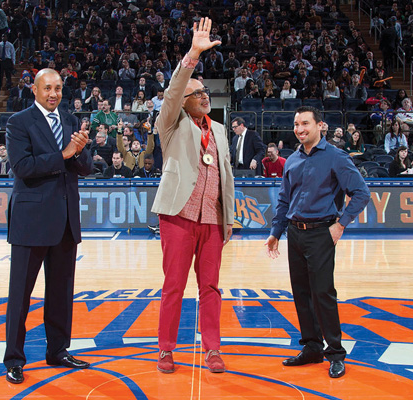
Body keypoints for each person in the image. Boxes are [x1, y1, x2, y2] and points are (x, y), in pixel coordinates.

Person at [151, 18, 235, 375]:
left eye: (207, 94)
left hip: (213, 220)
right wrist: (192, 55)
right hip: (178, 217)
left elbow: (227, 174)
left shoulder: (218, 128)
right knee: (173, 286)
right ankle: (166, 350)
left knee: (212, 287)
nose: (205, 97)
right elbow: (173, 93)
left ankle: (212, 349)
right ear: (184, 101)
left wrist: (228, 217)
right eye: (198, 93)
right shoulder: (170, 124)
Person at [265, 106, 370, 379]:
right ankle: (312, 347)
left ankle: (335, 353)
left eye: (306, 124)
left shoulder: (336, 157)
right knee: (301, 293)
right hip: (294, 233)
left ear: (320, 126)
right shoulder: (292, 160)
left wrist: (341, 224)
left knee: (322, 294)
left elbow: (361, 193)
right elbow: (284, 200)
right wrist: (276, 232)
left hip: (321, 233)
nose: (300, 129)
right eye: (297, 124)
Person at [3, 68, 94, 384]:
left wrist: (81, 150)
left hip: (66, 220)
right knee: (20, 296)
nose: (54, 94)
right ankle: (14, 358)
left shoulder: (69, 119)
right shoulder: (18, 123)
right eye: (47, 88)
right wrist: (65, 153)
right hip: (31, 221)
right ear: (35, 90)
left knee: (60, 293)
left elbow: (84, 167)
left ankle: (58, 351)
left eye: (58, 88)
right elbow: (23, 167)